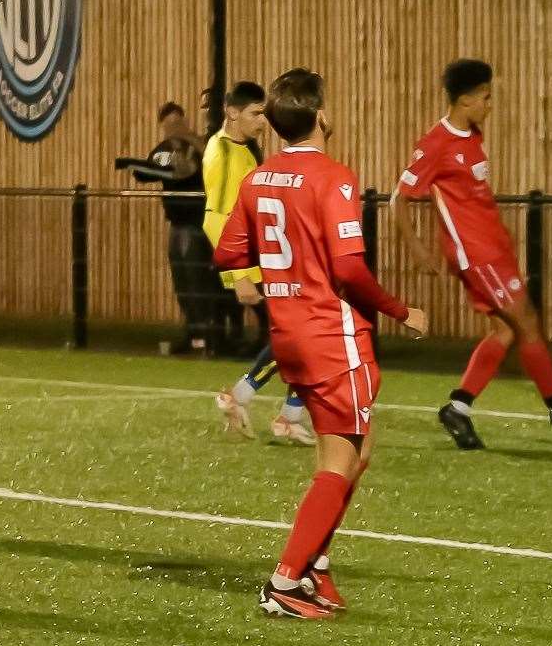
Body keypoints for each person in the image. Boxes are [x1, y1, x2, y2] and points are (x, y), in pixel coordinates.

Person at [214, 68, 427, 618]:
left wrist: (285, 272)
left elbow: (229, 254)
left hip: (288, 334)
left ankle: (316, 569)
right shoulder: (334, 178)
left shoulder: (259, 180)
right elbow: (350, 269)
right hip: (334, 335)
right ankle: (288, 579)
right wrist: (401, 311)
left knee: (359, 445)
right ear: (321, 117)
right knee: (341, 458)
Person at [390, 58, 552, 450]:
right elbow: (398, 200)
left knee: (507, 330)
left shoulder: (473, 134)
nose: (490, 105)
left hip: (493, 248)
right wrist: (419, 249)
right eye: (485, 98)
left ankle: (459, 407)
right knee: (525, 320)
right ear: (464, 100)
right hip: (475, 254)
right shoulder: (435, 144)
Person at [205, 81, 312, 444]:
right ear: (231, 112)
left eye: (264, 113)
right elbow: (215, 217)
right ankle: (281, 413)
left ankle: (261, 404)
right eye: (255, 113)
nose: (262, 121)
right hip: (250, 266)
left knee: (296, 336)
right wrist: (238, 276)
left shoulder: (244, 150)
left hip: (266, 261)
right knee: (299, 335)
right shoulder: (221, 154)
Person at [115, 101, 223, 353]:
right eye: (170, 124)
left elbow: (191, 170)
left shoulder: (197, 145)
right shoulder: (164, 149)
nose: (174, 127)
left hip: (195, 224)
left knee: (198, 282)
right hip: (177, 223)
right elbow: (149, 172)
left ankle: (207, 337)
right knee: (182, 283)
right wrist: (132, 164)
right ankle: (194, 334)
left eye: (178, 122)